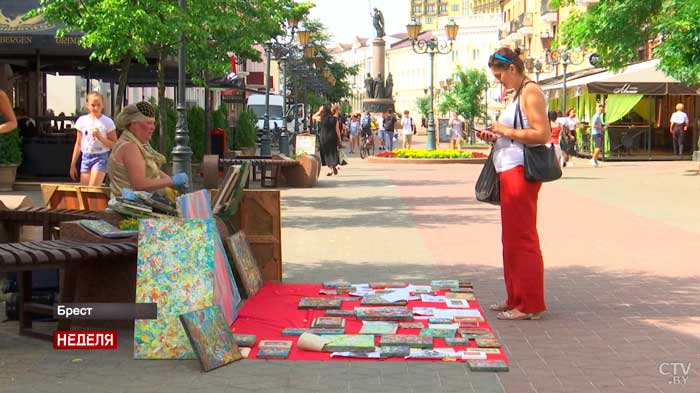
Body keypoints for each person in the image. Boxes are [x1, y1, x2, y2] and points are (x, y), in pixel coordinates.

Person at [477, 47, 550, 320]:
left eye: (499, 76)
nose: (499, 81)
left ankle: (530, 304)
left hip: (520, 171)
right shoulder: (519, 94)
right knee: (511, 238)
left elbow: (541, 134)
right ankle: (515, 297)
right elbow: (517, 134)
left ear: (511, 69)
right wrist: (495, 136)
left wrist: (504, 130)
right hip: (508, 168)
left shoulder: (531, 91)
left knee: (523, 238)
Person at [108, 101, 188, 198]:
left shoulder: (138, 143)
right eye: (148, 123)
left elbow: (153, 170)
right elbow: (139, 184)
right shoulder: (129, 147)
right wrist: (172, 180)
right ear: (134, 125)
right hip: (129, 207)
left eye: (153, 123)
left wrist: (171, 183)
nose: (153, 127)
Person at [69, 92, 117, 186]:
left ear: (103, 105)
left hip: (100, 157)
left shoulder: (107, 122)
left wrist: (100, 137)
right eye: (93, 105)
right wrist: (73, 164)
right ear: (87, 105)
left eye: (98, 105)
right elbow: (78, 143)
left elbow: (114, 144)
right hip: (86, 156)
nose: (95, 108)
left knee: (92, 189)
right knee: (85, 190)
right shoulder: (82, 121)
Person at [312, 105, 341, 176]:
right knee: (333, 151)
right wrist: (340, 139)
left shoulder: (321, 118)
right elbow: (337, 130)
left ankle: (331, 168)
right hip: (333, 137)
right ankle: (334, 164)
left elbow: (313, 116)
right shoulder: (335, 119)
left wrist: (319, 111)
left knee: (326, 153)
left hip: (324, 137)